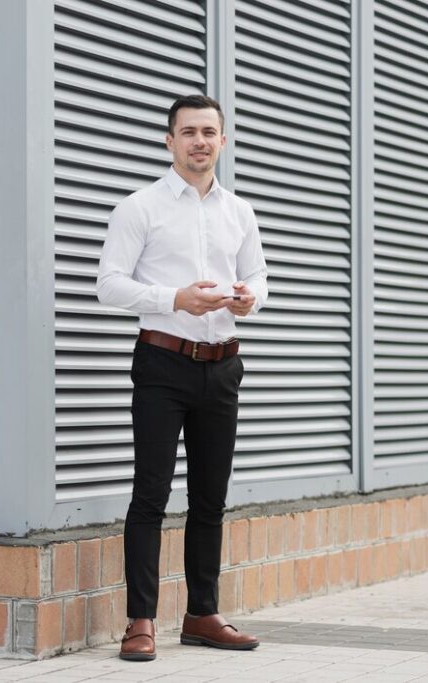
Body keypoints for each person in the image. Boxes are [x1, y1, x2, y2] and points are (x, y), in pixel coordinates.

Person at [96, 94, 268, 661]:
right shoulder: (139, 207)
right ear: (168, 141)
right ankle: (140, 621)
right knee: (151, 494)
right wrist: (173, 297)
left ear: (223, 140)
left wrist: (250, 300)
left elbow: (257, 277)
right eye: (188, 131)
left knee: (210, 499)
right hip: (162, 363)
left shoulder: (238, 211)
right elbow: (110, 284)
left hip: (222, 367)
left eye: (209, 131)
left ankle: (201, 614)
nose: (199, 140)